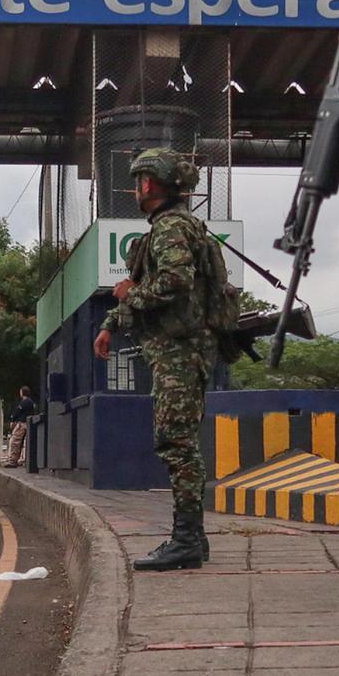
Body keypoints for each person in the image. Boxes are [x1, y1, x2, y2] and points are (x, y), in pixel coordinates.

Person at [92, 148, 221, 572]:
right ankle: (194, 538)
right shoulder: (172, 227)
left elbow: (173, 282)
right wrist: (113, 321)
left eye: (138, 181)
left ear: (148, 183)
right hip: (176, 349)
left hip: (180, 351)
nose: (135, 189)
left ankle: (185, 540)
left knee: (177, 443)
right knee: (178, 441)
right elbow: (144, 283)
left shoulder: (170, 227)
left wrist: (131, 296)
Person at [2, 386, 34, 467]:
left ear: (22, 393)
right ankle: (23, 460)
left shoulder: (24, 402)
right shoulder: (31, 402)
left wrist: (12, 420)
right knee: (25, 443)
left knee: (14, 441)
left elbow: (17, 411)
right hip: (29, 423)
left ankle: (12, 461)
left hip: (22, 424)